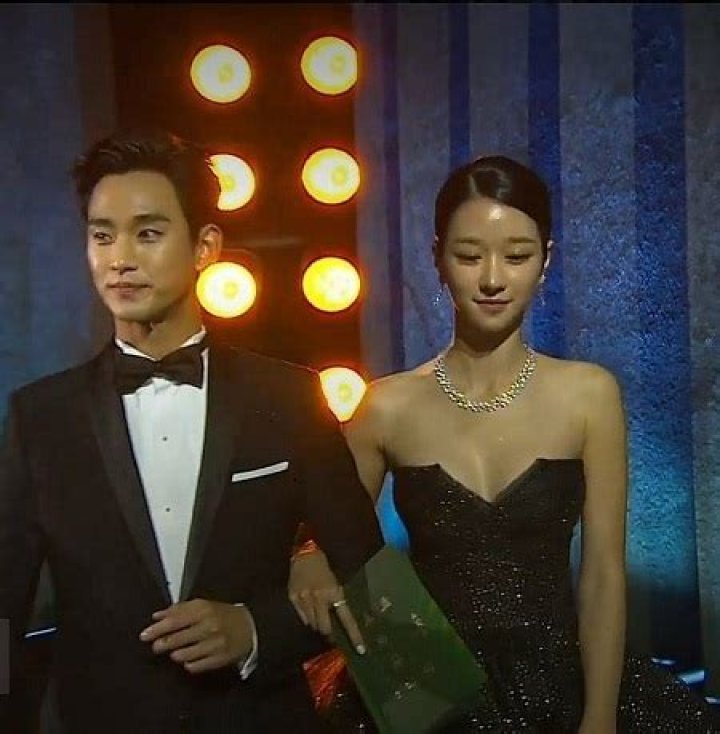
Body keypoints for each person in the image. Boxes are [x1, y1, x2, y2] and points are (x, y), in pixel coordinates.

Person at [289, 156, 720, 732]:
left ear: (546, 261)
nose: (492, 279)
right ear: (437, 259)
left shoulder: (588, 395)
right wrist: (309, 556)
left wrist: (599, 716)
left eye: (517, 256)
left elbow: (602, 575)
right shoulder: (385, 406)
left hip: (561, 687)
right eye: (470, 256)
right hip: (430, 688)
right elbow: (332, 539)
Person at [0, 129, 383, 733]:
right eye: (102, 235)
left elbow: (375, 589)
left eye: (148, 234)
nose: (120, 258)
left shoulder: (287, 398)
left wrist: (255, 630)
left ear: (205, 245)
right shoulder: (41, 417)